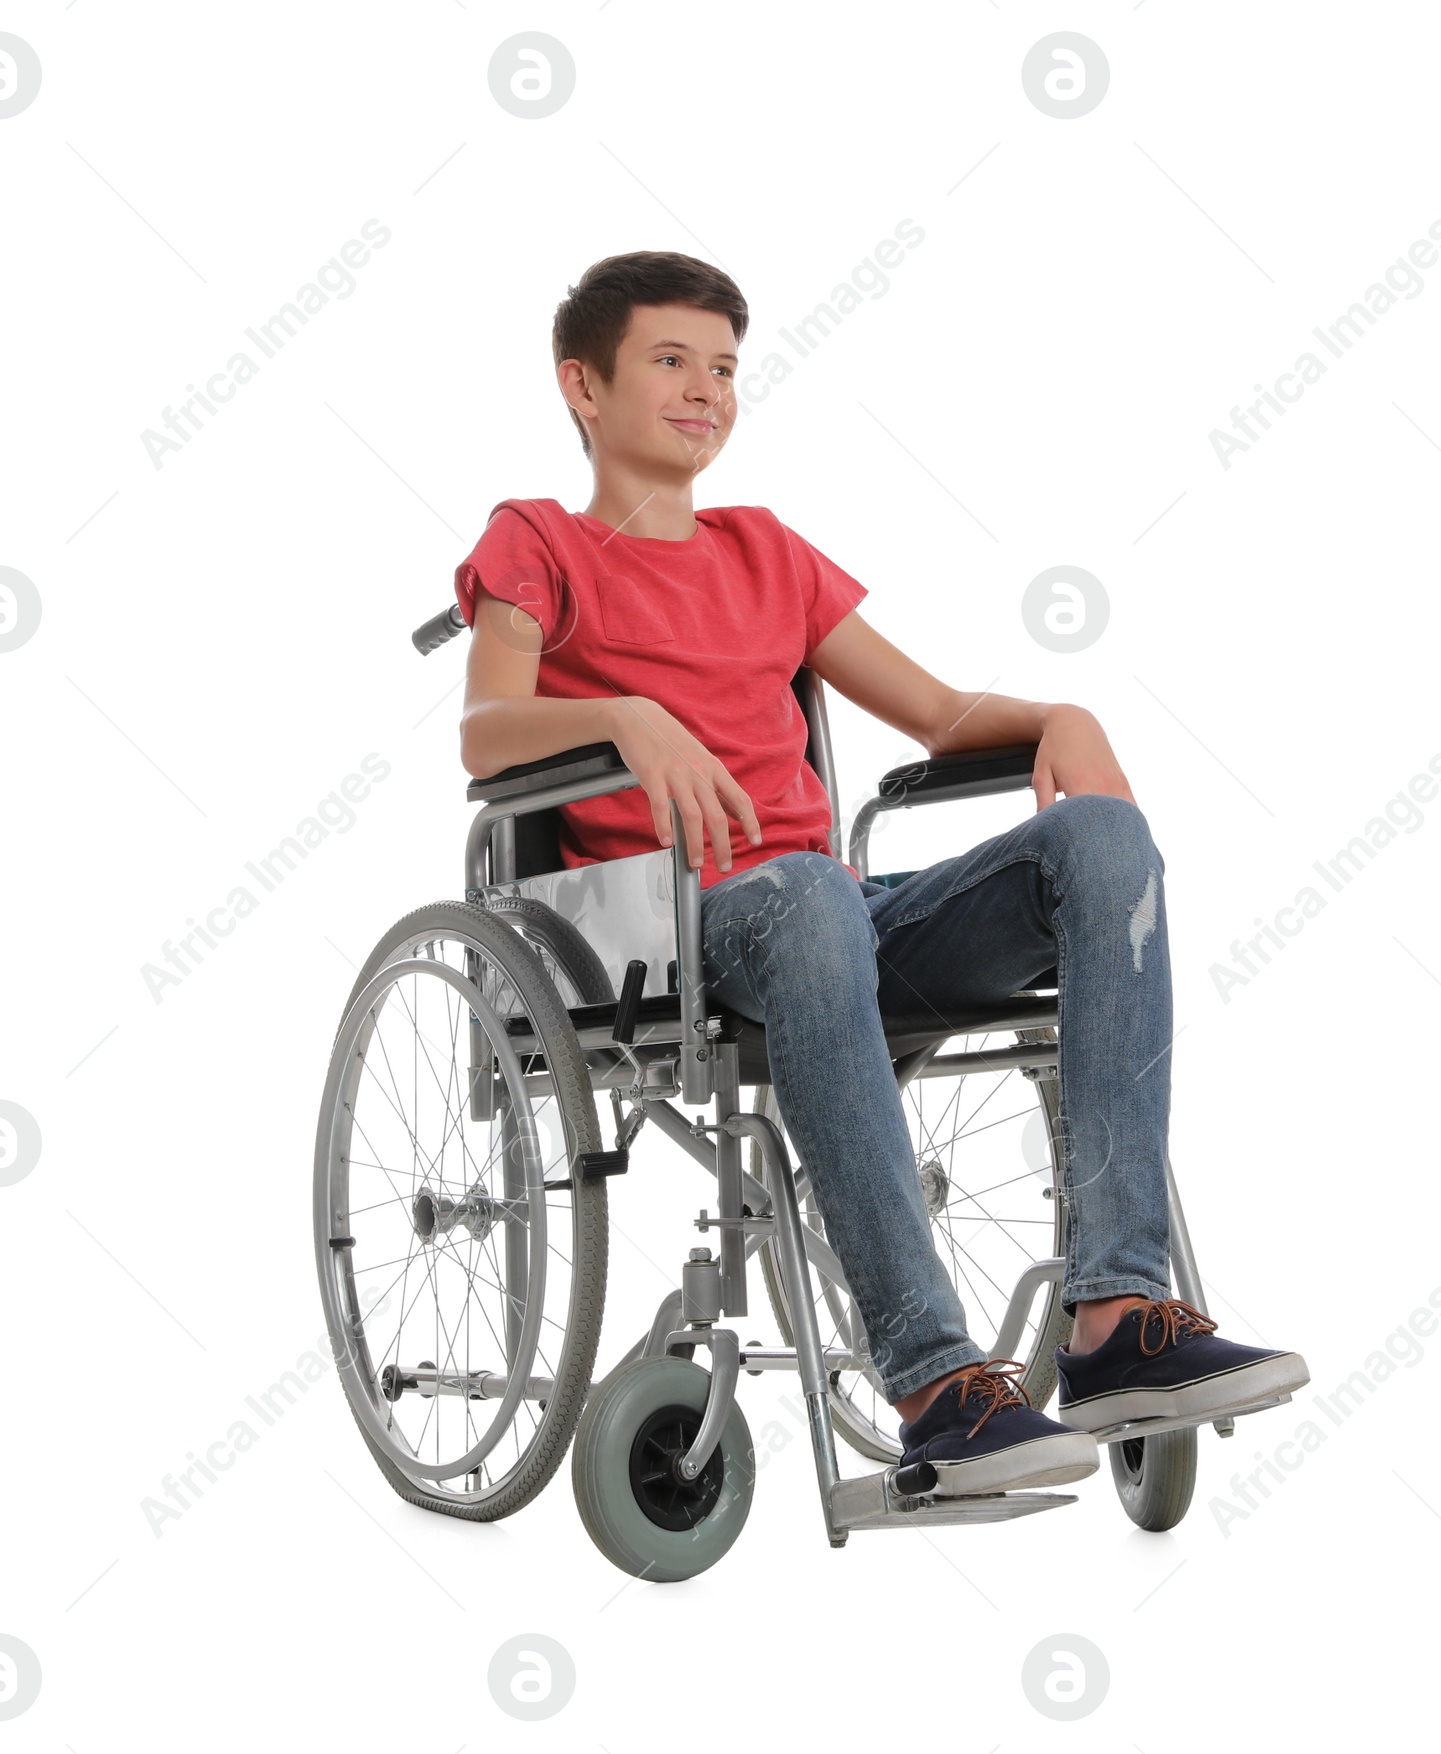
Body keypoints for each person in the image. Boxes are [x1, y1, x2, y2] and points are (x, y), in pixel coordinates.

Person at [454, 250, 1308, 1497]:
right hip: (668, 925)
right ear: (582, 385)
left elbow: (940, 710)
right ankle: (934, 1382)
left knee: (1102, 843)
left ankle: (1117, 1317)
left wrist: (1052, 708)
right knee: (803, 897)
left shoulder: (768, 552)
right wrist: (626, 717)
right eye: (671, 361)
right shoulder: (536, 541)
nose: (706, 391)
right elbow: (484, 732)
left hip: (830, 912)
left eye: (725, 368)